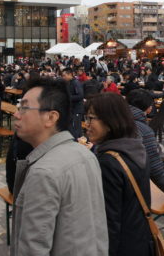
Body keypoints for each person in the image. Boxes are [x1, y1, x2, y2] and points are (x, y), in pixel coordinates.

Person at [11, 77, 107, 255]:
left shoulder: (43, 171)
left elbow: (33, 248)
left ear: (51, 117)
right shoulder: (86, 154)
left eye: (24, 107)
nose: (16, 114)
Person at [84, 93, 153, 256]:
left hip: (122, 246)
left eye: (90, 118)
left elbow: (108, 222)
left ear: (109, 121)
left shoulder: (108, 162)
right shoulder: (135, 148)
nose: (86, 125)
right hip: (140, 240)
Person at [126, 89, 164, 198]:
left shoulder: (118, 121)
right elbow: (155, 168)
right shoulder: (143, 129)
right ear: (148, 108)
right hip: (135, 180)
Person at [61, 68, 84, 138]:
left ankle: (79, 143)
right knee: (72, 128)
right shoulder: (69, 83)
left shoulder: (75, 83)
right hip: (72, 109)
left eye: (64, 75)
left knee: (77, 129)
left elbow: (80, 96)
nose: (63, 77)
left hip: (77, 109)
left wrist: (68, 97)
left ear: (69, 74)